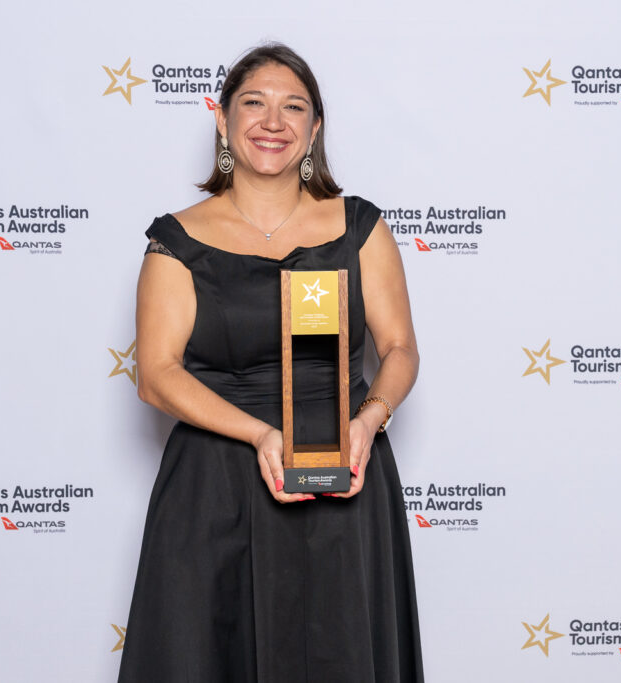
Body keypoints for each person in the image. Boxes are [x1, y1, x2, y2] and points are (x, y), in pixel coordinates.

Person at [118, 43, 423, 682]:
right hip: (216, 488)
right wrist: (260, 434)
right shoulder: (175, 240)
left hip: (343, 477)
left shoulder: (361, 227)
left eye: (294, 107)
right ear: (222, 120)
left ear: (314, 129)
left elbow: (399, 348)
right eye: (254, 103)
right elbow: (156, 375)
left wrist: (369, 419)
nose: (273, 122)